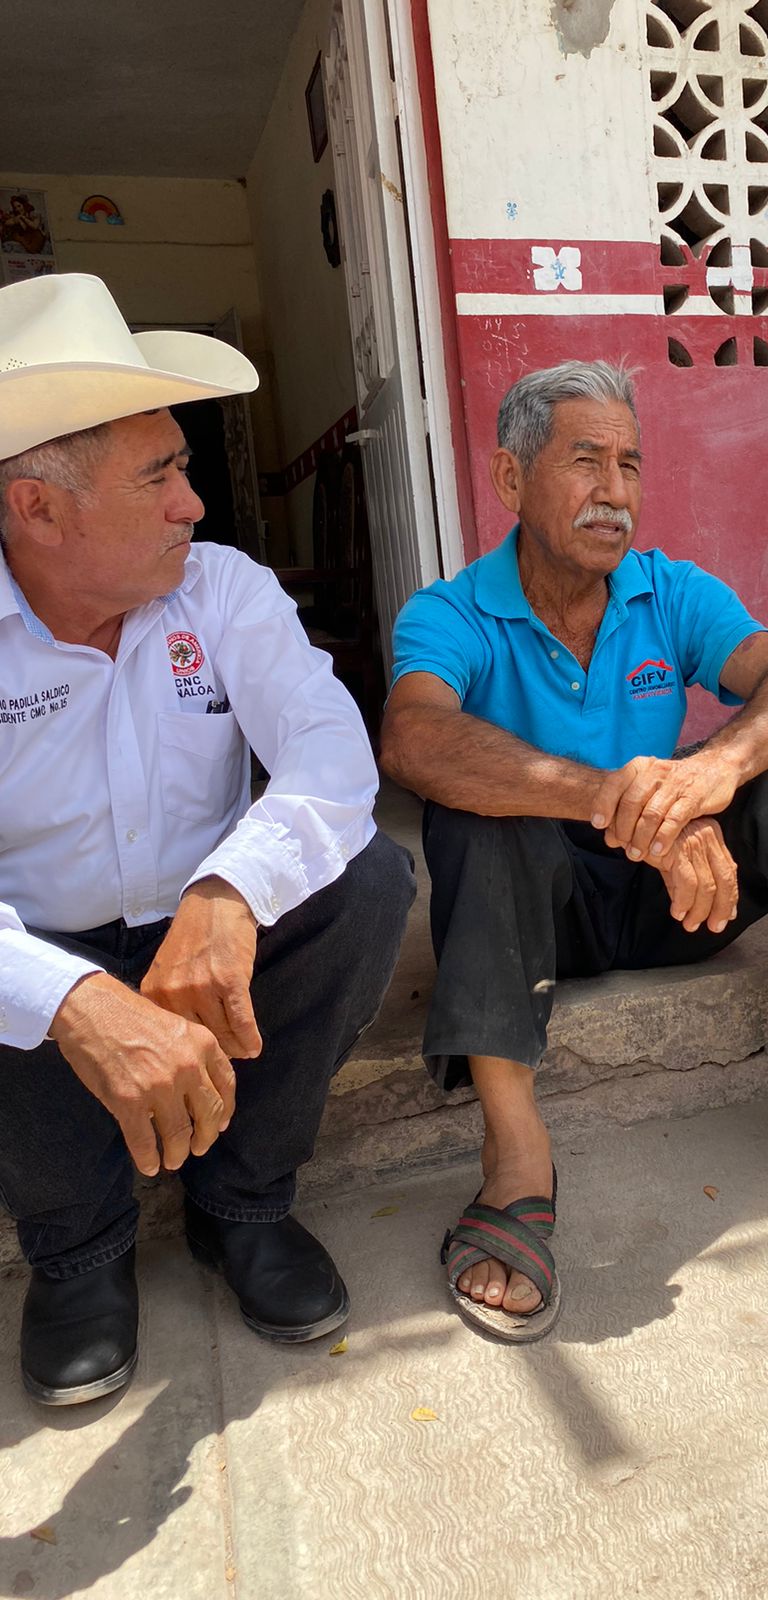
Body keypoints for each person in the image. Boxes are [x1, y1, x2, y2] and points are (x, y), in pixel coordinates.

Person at [382, 360, 768, 1344]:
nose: (616, 491)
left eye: (630, 465)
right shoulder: (450, 613)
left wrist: (711, 775)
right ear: (509, 481)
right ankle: (516, 1153)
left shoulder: (667, 591)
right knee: (473, 800)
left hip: (684, 904)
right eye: (585, 461)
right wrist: (619, 799)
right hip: (536, 917)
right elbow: (414, 740)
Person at [0, 272, 414, 1405]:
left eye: (183, 468)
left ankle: (242, 1208)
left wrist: (230, 893)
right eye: (162, 476)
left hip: (199, 938)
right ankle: (77, 1249)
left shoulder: (221, 589)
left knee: (371, 879)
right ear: (39, 508)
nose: (194, 503)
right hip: (40, 951)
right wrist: (73, 999)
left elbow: (333, 756)